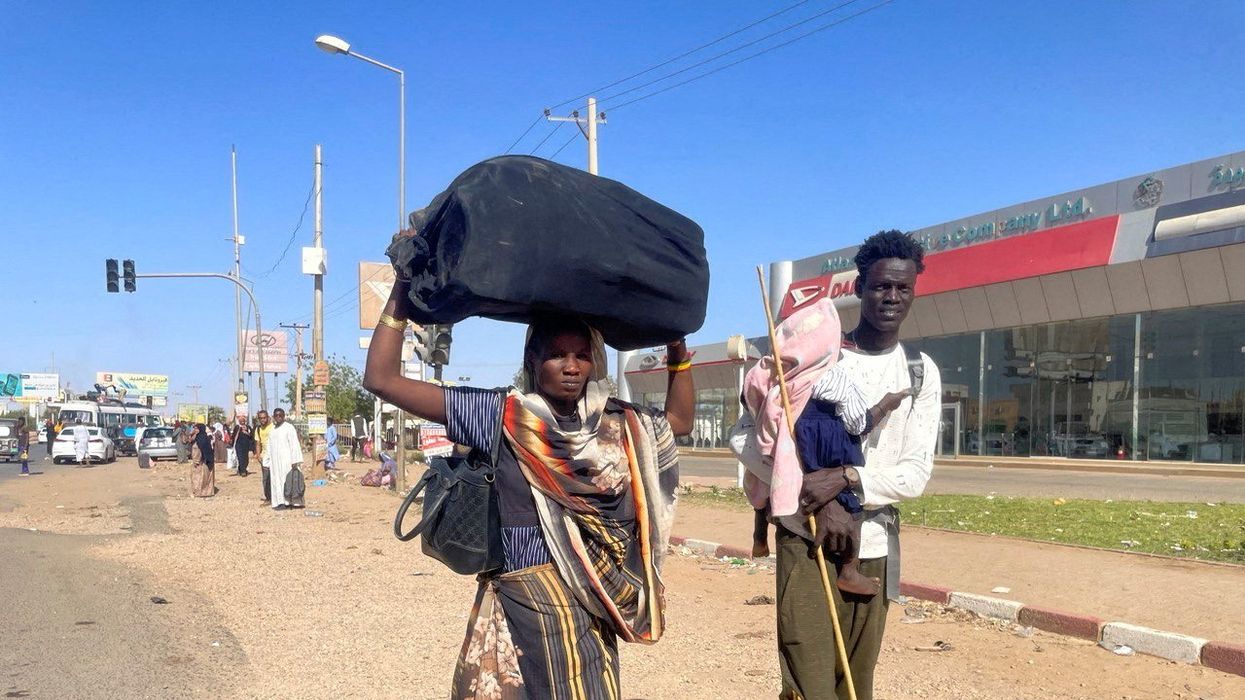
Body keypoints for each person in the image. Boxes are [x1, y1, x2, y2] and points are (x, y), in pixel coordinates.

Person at [363, 276, 693, 699]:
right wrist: (403, 289)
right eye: (557, 355)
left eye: (581, 356)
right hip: (526, 600)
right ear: (533, 360)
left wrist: (676, 348)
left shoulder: (617, 421)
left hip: (596, 600)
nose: (572, 367)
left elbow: (678, 422)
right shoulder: (500, 414)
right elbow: (382, 379)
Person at [759, 230, 941, 700]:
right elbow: (752, 437)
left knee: (856, 687)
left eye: (903, 288)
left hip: (873, 548)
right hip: (807, 543)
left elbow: (915, 473)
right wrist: (813, 499)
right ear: (858, 289)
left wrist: (848, 478)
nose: (892, 298)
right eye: (881, 286)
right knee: (807, 685)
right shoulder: (817, 352)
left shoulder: (920, 372)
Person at [738, 299, 911, 596]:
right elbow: (859, 423)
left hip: (797, 456)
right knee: (851, 510)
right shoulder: (834, 378)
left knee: (760, 490)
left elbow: (750, 402)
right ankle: (849, 570)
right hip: (831, 456)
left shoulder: (779, 378)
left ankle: (759, 536)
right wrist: (886, 404)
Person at [266, 408, 303, 509]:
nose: (278, 417)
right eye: (276, 415)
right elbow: (269, 446)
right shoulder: (272, 430)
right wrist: (267, 460)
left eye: (280, 415)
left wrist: (295, 460)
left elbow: (294, 444)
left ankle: (291, 502)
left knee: (288, 481)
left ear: (284, 416)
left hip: (287, 461)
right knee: (276, 481)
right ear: (273, 417)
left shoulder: (289, 428)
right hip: (275, 462)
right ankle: (280, 502)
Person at [190, 422, 216, 497]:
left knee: (202, 477)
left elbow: (203, 450)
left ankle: (203, 493)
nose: (195, 430)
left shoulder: (203, 438)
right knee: (197, 477)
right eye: (194, 428)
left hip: (203, 461)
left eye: (197, 428)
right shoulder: (197, 437)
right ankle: (199, 492)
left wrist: (198, 460)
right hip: (197, 460)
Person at [253, 410, 273, 504]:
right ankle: (268, 498)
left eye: (264, 418)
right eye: (261, 418)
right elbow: (258, 443)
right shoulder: (258, 429)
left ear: (268, 417)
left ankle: (277, 497)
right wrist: (258, 455)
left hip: (274, 456)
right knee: (266, 478)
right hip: (264, 457)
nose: (263, 420)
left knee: (275, 477)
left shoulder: (273, 427)